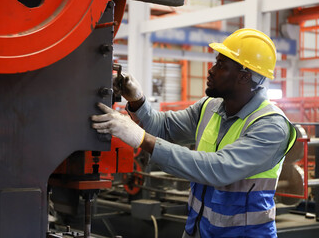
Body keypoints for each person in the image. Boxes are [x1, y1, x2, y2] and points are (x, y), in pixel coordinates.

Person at [92, 28, 297, 237]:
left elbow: (217, 169)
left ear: (243, 77)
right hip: (198, 231)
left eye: (221, 65)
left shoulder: (271, 126)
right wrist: (137, 100)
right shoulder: (210, 107)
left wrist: (140, 138)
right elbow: (165, 128)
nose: (211, 70)